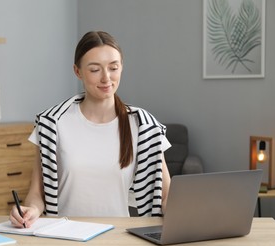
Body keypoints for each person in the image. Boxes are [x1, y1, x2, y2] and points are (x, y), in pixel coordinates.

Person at [10, 31, 171, 228]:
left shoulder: (144, 126)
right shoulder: (51, 124)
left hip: (118, 237)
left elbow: (166, 196)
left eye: (113, 67)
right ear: (77, 71)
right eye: (95, 69)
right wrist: (31, 210)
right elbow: (37, 193)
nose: (106, 78)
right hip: (65, 236)